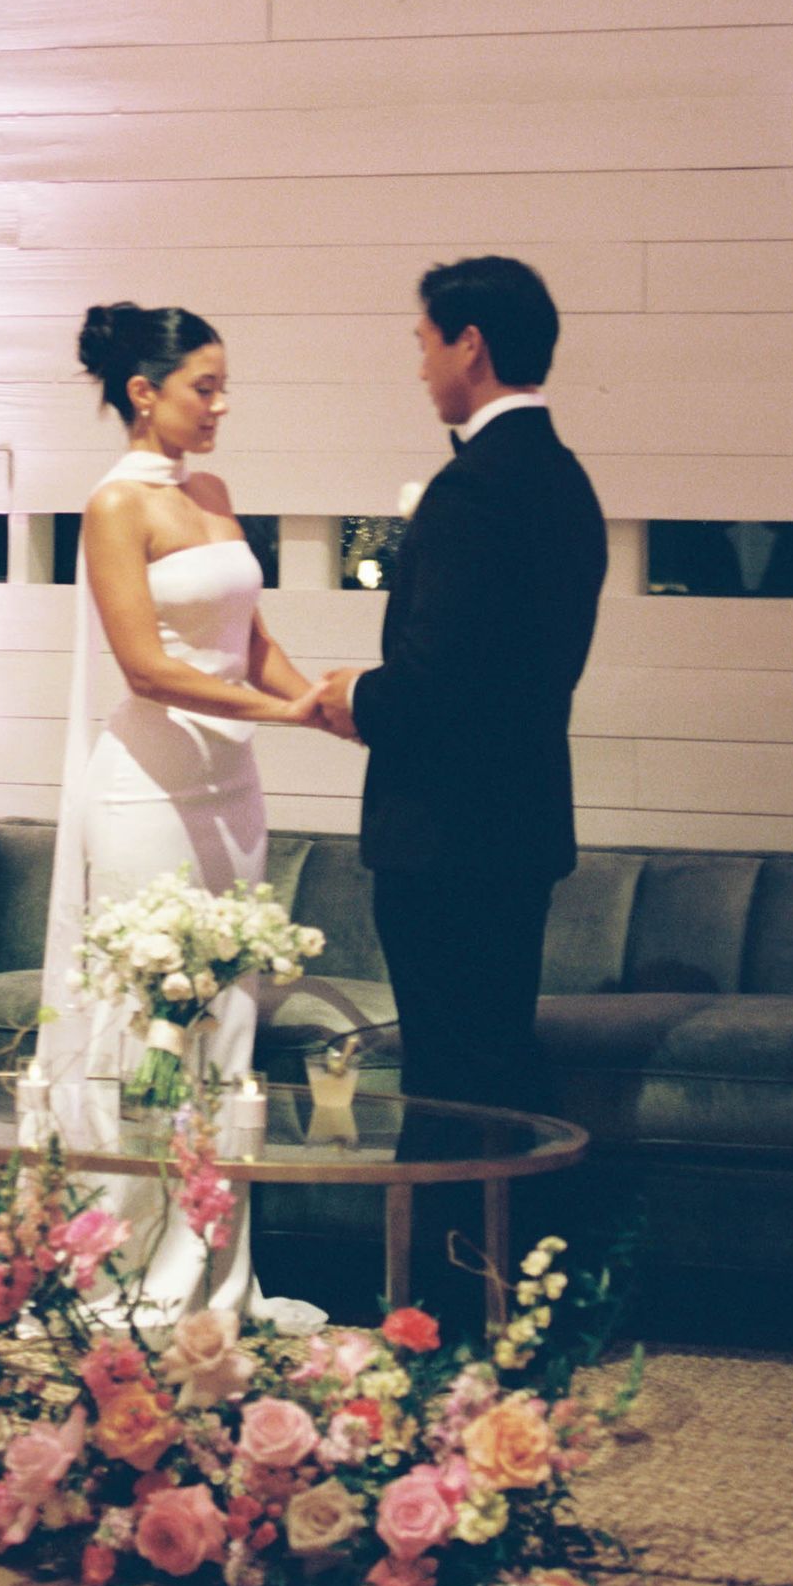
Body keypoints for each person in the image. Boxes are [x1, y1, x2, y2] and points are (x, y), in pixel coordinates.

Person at [313, 257, 606, 1327]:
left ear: (470, 343)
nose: (422, 362)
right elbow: (525, 671)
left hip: (446, 836)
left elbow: (444, 686)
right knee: (499, 1064)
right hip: (519, 826)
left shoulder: (476, 487)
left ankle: (445, 1307)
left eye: (425, 339)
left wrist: (356, 694)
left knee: (450, 1083)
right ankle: (521, 1294)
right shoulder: (564, 477)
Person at [36, 302, 321, 1322]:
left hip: (231, 789)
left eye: (223, 386)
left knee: (226, 1018)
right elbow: (148, 668)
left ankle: (212, 1269)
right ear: (145, 392)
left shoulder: (214, 492)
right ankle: (122, 1263)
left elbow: (250, 642)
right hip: (148, 789)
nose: (221, 405)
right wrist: (285, 710)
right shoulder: (116, 506)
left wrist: (331, 707)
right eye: (205, 387)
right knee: (144, 1016)